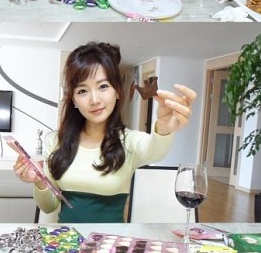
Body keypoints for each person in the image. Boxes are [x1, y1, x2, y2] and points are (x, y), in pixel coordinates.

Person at [13, 41, 197, 223]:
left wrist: (163, 129)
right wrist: (39, 181)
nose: (94, 100)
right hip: (66, 239)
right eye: (82, 91)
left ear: (117, 91)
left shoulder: (129, 142)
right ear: (74, 100)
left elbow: (155, 151)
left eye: (103, 86)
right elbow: (48, 207)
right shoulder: (55, 141)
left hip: (111, 241)